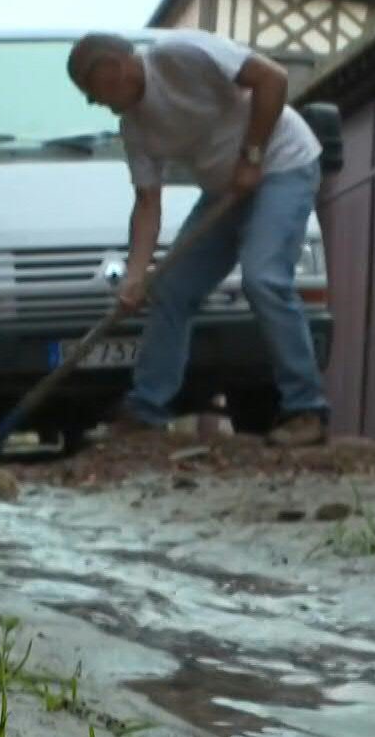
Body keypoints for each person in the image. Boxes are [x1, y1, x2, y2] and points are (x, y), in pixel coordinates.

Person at [66, 29, 330, 449]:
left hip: (282, 165)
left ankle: (306, 410)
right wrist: (136, 276)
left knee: (263, 278)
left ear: (113, 69)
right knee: (170, 288)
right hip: (225, 189)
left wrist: (253, 156)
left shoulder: (181, 55)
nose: (91, 101)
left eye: (90, 89)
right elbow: (147, 204)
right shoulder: (135, 129)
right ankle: (146, 411)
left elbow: (273, 79)